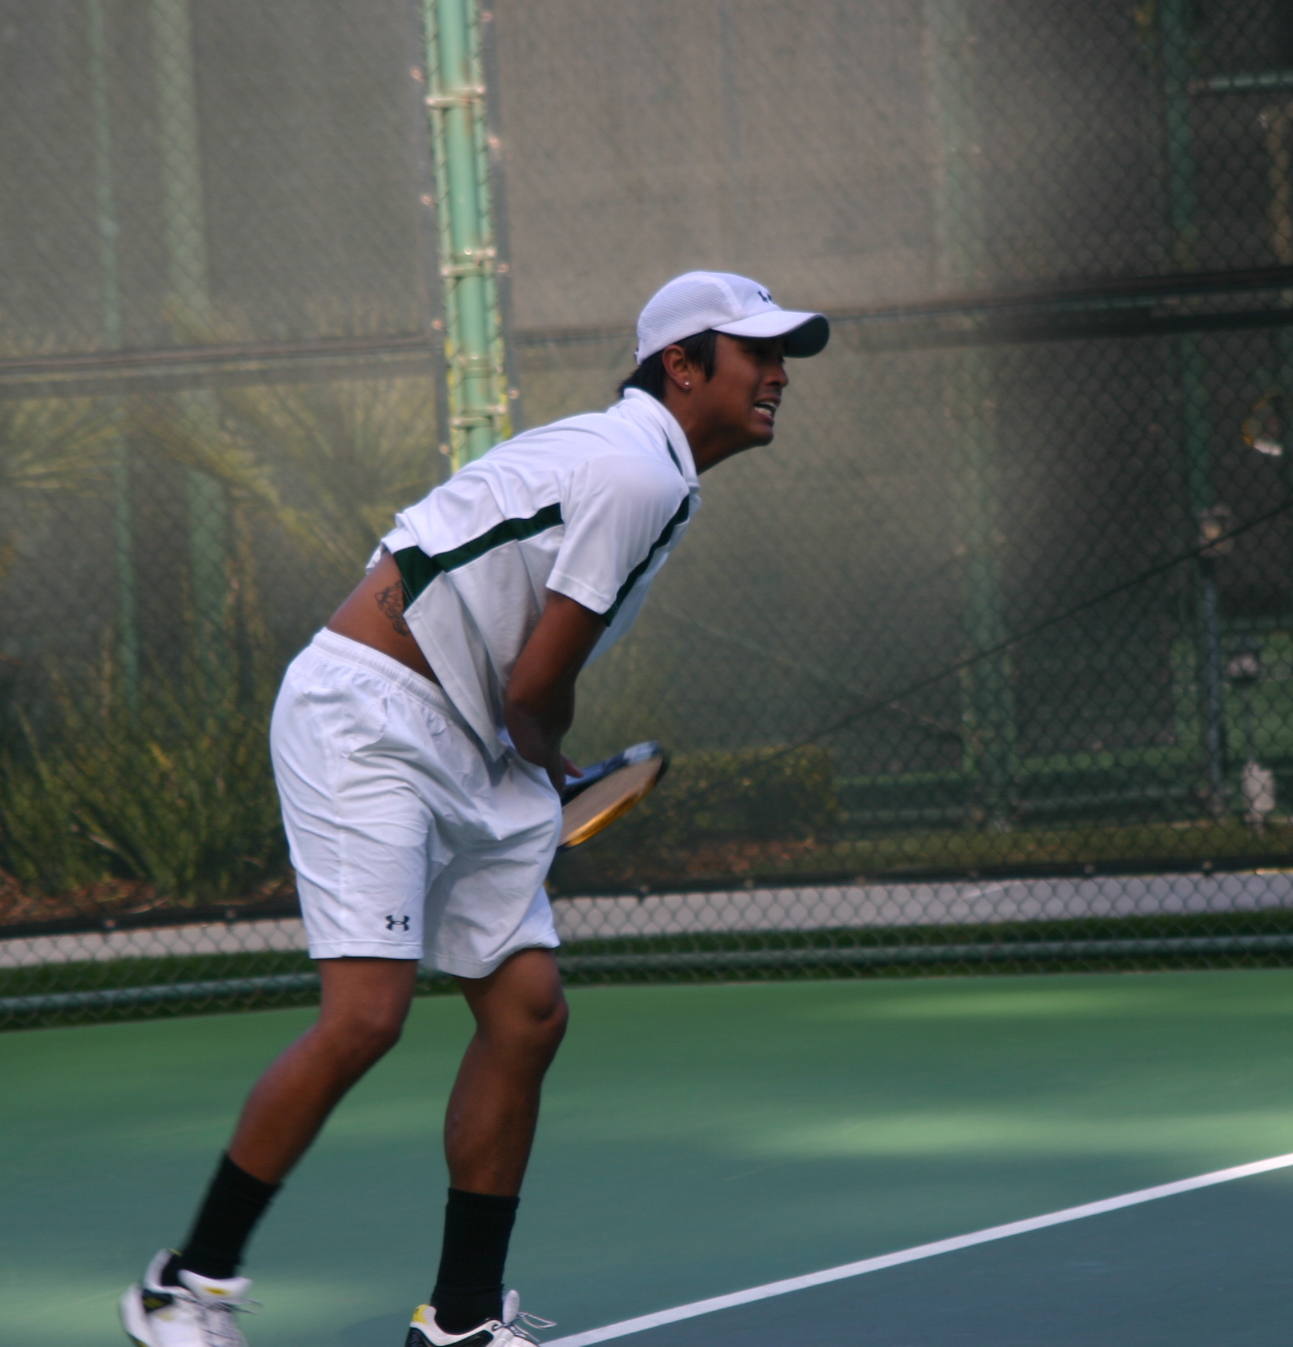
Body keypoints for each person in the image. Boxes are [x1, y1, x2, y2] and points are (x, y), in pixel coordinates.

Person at [121, 271, 829, 1347]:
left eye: (783, 356)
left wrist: (535, 762)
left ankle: (457, 1320)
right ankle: (183, 1287)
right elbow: (536, 689)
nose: (778, 375)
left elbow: (521, 684)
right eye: (757, 354)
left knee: (526, 1011)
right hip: (371, 716)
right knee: (365, 1017)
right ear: (682, 367)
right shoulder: (636, 471)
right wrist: (553, 768)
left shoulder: (650, 469)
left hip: (471, 733)